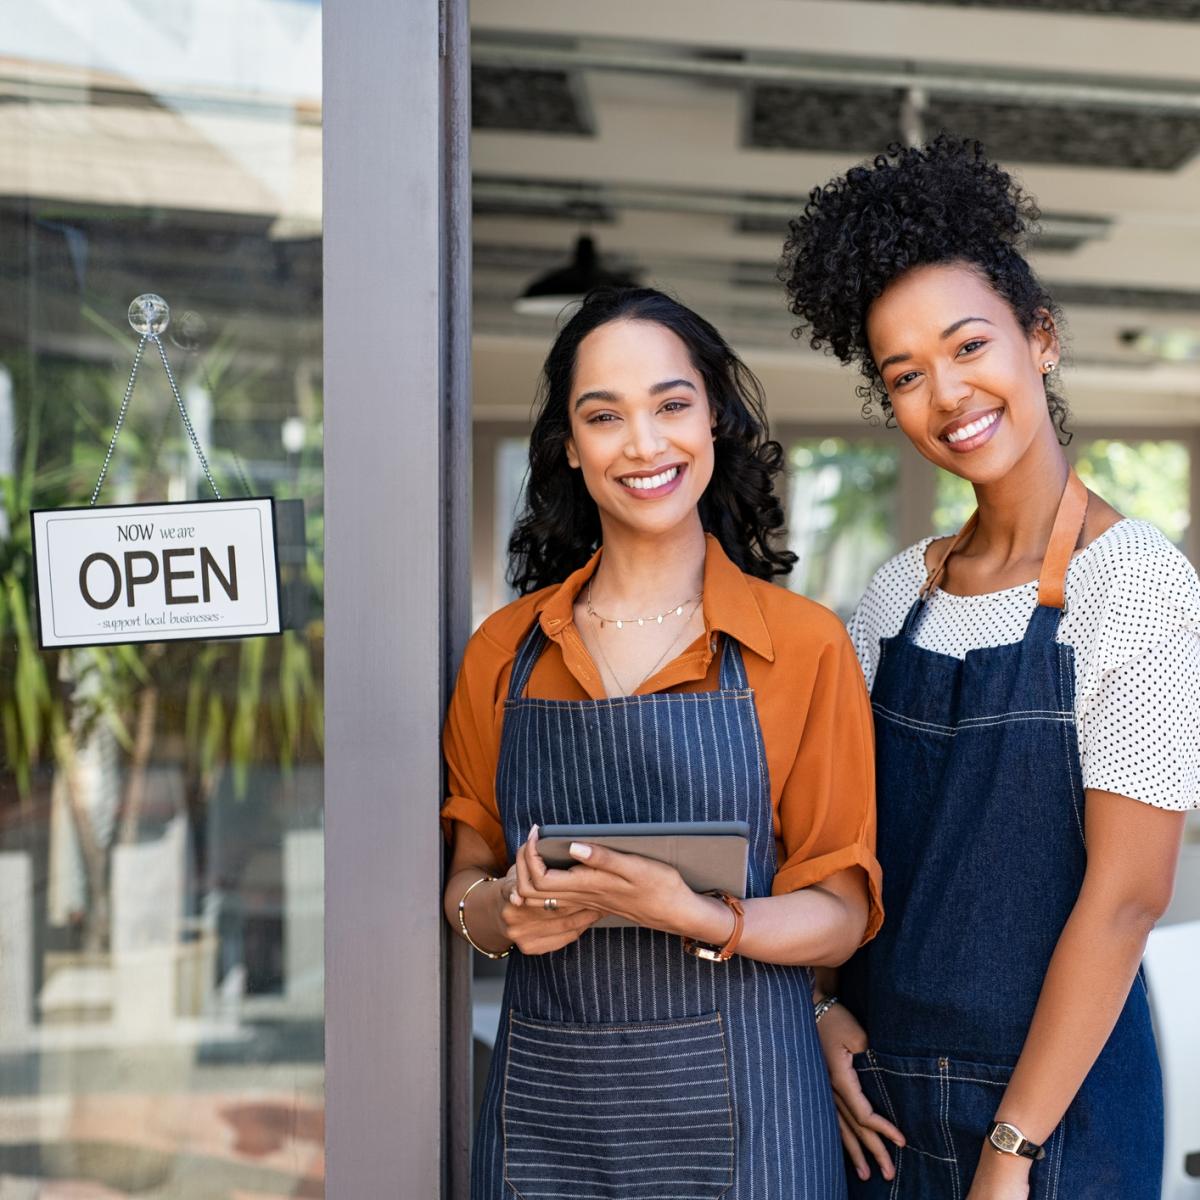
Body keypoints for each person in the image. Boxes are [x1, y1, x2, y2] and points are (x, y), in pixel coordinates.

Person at [780, 135, 1200, 1200]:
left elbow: (1127, 897)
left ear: (1040, 341)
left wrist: (1009, 1154)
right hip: (876, 1103)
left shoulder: (1136, 582)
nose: (948, 394)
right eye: (906, 375)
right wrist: (823, 1006)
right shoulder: (894, 597)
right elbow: (841, 844)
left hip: (1054, 1119)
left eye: (970, 346)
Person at [440, 286, 883, 1200]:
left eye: (672, 405)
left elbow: (841, 906)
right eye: (605, 416)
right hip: (548, 1121)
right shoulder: (503, 651)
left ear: (714, 419)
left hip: (752, 1118)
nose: (644, 444)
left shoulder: (801, 645)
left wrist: (701, 916)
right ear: (572, 446)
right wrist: (502, 915)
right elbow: (467, 879)